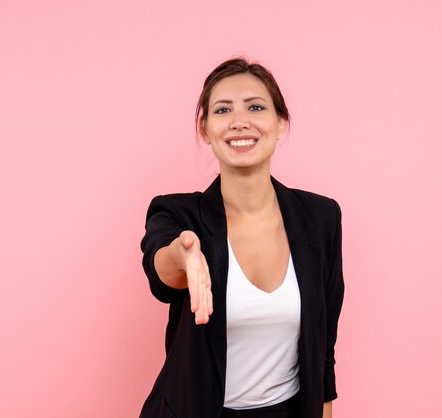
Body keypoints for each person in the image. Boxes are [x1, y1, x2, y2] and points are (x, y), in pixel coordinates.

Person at [139, 57, 345, 418]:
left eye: (255, 106)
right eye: (222, 110)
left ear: (281, 123)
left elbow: (323, 346)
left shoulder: (321, 217)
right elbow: (162, 268)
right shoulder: (178, 214)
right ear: (205, 129)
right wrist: (184, 256)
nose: (239, 121)